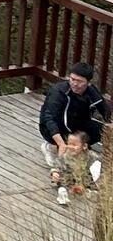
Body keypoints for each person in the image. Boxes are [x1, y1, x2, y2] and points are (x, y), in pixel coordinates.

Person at [40, 62, 107, 204]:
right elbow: (48, 118)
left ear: (88, 83)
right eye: (72, 79)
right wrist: (61, 143)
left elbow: (106, 112)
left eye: (79, 81)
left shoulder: (91, 91)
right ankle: (52, 147)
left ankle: (78, 151)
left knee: (101, 131)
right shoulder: (58, 91)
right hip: (53, 128)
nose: (74, 84)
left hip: (76, 124)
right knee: (64, 158)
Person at [47, 130, 96, 207]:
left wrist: (85, 185)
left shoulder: (91, 157)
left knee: (93, 175)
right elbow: (57, 165)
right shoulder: (66, 156)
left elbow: (95, 173)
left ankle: (88, 190)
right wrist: (54, 172)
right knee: (61, 178)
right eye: (69, 144)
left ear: (84, 146)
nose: (70, 147)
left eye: (74, 145)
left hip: (85, 180)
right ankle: (63, 193)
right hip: (69, 180)